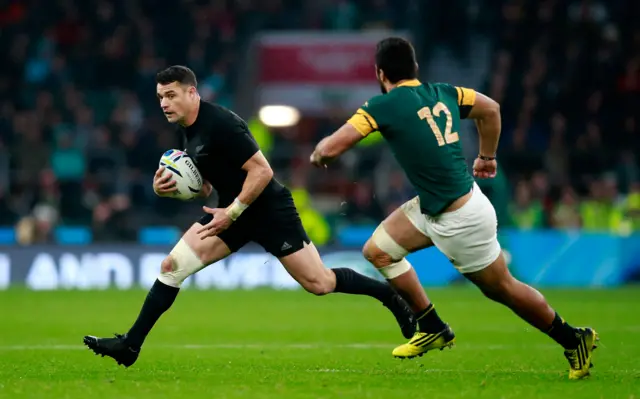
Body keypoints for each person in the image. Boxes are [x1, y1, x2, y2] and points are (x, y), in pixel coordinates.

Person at [83, 65, 416, 367]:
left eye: (171, 95)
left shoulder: (222, 123)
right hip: (231, 210)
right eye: (160, 97)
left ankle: (389, 295)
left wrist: (233, 212)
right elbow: (206, 185)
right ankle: (131, 345)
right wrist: (166, 188)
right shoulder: (187, 130)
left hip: (268, 209)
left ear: (192, 92)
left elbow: (261, 171)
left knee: (320, 283)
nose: (164, 103)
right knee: (172, 267)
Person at [310, 37, 598, 380]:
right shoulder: (443, 91)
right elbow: (490, 107)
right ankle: (431, 325)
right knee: (379, 251)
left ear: (379, 73)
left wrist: (318, 154)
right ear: (415, 69)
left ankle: (573, 338)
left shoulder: (381, 105)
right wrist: (487, 157)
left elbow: (329, 150)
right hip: (439, 205)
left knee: (502, 288)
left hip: (459, 219)